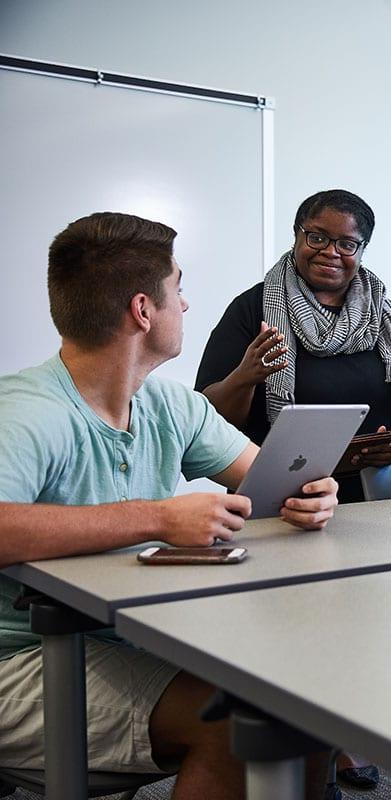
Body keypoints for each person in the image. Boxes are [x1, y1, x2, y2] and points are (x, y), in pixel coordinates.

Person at [0, 212, 339, 798]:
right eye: (177, 289)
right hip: (22, 660)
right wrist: (157, 518)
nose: (185, 304)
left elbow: (262, 476)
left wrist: (308, 492)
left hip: (122, 640)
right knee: (240, 728)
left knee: (302, 706)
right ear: (142, 310)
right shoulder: (26, 413)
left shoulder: (167, 404)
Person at [196, 189, 391, 507]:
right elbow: (208, 420)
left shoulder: (387, 318)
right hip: (276, 500)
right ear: (296, 235)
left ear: (362, 249)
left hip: (375, 500)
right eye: (317, 237)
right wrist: (245, 376)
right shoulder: (253, 310)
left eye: (347, 244)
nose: (331, 252)